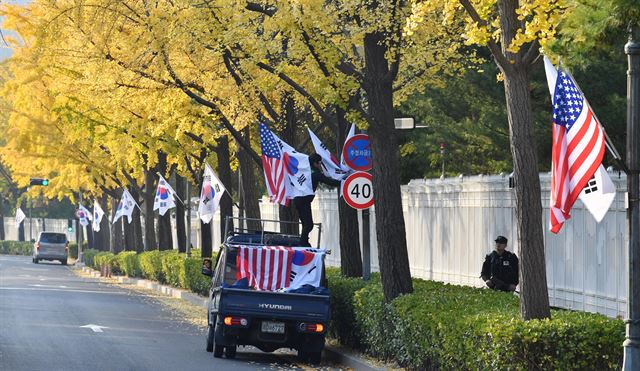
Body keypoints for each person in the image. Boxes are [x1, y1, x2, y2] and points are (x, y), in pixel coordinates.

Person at [294, 153, 342, 247]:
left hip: (297, 199)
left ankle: (304, 242)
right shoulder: (315, 173)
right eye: (319, 163)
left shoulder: (305, 170)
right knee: (309, 225)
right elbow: (329, 182)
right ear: (315, 163)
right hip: (304, 200)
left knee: (305, 224)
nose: (320, 165)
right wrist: (343, 181)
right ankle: (303, 243)